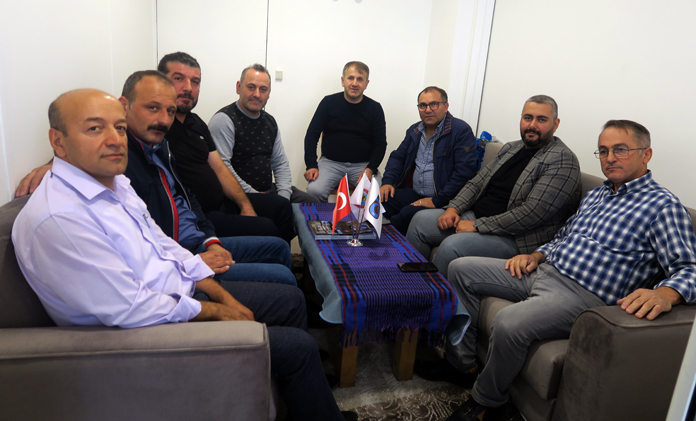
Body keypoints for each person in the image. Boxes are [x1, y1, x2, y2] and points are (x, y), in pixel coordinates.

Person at [11, 88, 355, 421]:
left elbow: (161, 242)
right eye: (94, 128)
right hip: (141, 333)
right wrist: (220, 310)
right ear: (58, 142)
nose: (115, 139)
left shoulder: (115, 183)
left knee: (290, 300)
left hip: (177, 290)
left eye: (119, 127)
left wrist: (217, 289)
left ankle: (297, 394)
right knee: (297, 346)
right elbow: (132, 307)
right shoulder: (60, 218)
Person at [426, 120, 696, 421]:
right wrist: (536, 255)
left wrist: (666, 293)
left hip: (582, 295)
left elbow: (689, 269)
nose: (610, 158)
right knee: (460, 268)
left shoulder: (663, 206)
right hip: (546, 270)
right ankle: (462, 364)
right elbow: (564, 237)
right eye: (603, 151)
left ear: (646, 154)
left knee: (509, 321)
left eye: (620, 150)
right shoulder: (597, 194)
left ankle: (486, 401)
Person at [14, 71, 297, 286]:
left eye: (195, 81)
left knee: (280, 236)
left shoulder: (165, 141)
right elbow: (146, 258)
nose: (163, 118)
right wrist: (56, 161)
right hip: (182, 253)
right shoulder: (121, 159)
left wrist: (211, 239)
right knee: (279, 269)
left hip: (196, 235)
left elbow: (194, 187)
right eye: (153, 107)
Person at [406, 95, 582, 278]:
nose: (532, 125)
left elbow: (531, 213)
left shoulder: (562, 159)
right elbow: (477, 183)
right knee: (420, 220)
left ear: (556, 124)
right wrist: (454, 208)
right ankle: (406, 283)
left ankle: (431, 293)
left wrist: (477, 226)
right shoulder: (511, 148)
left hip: (516, 237)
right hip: (477, 216)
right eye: (528, 118)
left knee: (452, 247)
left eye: (542, 119)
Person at [157, 53, 295, 242]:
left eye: (195, 82)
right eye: (179, 78)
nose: (188, 88)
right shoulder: (157, 129)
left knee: (285, 208)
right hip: (200, 214)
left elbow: (220, 168)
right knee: (268, 229)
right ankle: (276, 254)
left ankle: (283, 255)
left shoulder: (196, 123)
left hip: (228, 201)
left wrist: (247, 205)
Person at [208, 63, 318, 204]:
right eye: (251, 87)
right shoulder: (223, 120)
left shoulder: (270, 122)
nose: (257, 94)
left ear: (269, 93)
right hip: (238, 196)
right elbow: (222, 168)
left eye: (263, 89)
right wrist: (259, 198)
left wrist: (283, 198)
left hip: (268, 191)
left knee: (313, 203)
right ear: (238, 87)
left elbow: (280, 164)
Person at [380, 86, 478, 234]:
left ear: (446, 106)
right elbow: (398, 157)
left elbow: (464, 173)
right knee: (377, 201)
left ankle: (389, 242)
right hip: (416, 193)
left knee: (406, 214)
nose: (428, 110)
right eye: (423, 105)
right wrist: (387, 182)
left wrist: (437, 200)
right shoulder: (415, 130)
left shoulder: (461, 131)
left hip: (445, 199)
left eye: (434, 104)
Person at [303, 61, 387, 202]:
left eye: (360, 79)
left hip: (363, 165)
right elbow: (312, 135)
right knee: (314, 190)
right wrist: (311, 165)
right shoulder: (328, 103)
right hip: (330, 162)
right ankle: (325, 216)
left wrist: (371, 168)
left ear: (366, 84)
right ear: (343, 81)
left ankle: (356, 217)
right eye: (350, 78)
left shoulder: (375, 109)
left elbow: (381, 144)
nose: (354, 83)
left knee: (374, 193)